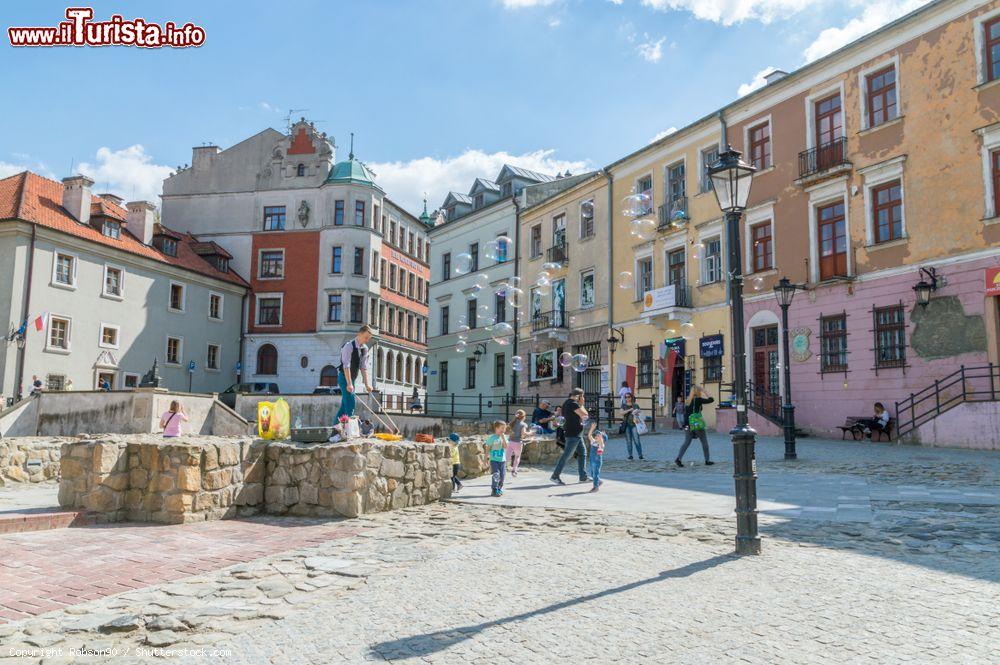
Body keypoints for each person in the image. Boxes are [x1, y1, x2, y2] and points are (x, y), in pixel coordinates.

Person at [550, 388, 590, 485]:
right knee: (566, 455)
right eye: (582, 396)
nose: (583, 398)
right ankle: (555, 476)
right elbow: (585, 415)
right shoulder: (573, 404)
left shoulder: (566, 403)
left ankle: (583, 477)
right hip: (574, 433)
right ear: (579, 396)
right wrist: (582, 404)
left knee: (582, 454)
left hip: (576, 433)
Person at [335, 325, 374, 422]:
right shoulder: (348, 346)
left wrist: (367, 385)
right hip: (344, 378)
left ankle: (335, 430)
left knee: (344, 406)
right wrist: (349, 383)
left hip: (351, 379)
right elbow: (346, 366)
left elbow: (363, 367)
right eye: (365, 337)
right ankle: (348, 430)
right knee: (350, 404)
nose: (367, 340)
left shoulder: (364, 348)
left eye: (368, 338)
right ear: (359, 334)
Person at [675, 385, 715, 467]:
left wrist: (685, 425)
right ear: (698, 392)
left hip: (688, 424)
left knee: (686, 442)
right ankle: (707, 460)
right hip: (697, 424)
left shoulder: (687, 401)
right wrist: (704, 390)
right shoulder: (698, 400)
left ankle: (678, 459)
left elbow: (686, 414)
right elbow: (711, 399)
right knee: (704, 442)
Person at [485, 421, 508, 497]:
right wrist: (485, 459)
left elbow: (505, 447)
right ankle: (494, 490)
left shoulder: (503, 438)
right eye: (502, 428)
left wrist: (503, 438)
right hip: (494, 460)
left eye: (504, 428)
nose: (503, 430)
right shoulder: (492, 438)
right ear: (496, 428)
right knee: (496, 475)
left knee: (502, 476)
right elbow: (487, 449)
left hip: (502, 461)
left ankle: (499, 488)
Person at [621, 393, 644, 460]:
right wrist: (629, 410)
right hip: (627, 425)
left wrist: (637, 411)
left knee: (636, 440)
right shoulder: (624, 405)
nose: (627, 398)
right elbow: (621, 413)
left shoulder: (635, 405)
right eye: (626, 397)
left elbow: (640, 412)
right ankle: (630, 455)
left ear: (631, 397)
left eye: (628, 397)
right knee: (628, 441)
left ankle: (640, 455)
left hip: (635, 425)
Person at [587, 420, 607, 493]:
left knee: (595, 474)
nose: (596, 436)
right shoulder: (593, 442)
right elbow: (589, 435)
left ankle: (596, 487)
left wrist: (601, 437)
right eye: (596, 436)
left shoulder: (601, 445)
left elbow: (601, 445)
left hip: (597, 461)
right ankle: (599, 481)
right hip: (592, 460)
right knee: (592, 474)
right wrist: (592, 428)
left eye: (598, 436)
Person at [508, 409, 529, 476]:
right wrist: (530, 433)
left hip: (510, 442)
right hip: (518, 442)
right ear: (523, 417)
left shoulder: (512, 423)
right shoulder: (523, 424)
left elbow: (508, 432)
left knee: (507, 457)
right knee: (517, 456)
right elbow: (523, 434)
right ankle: (514, 470)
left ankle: (500, 469)